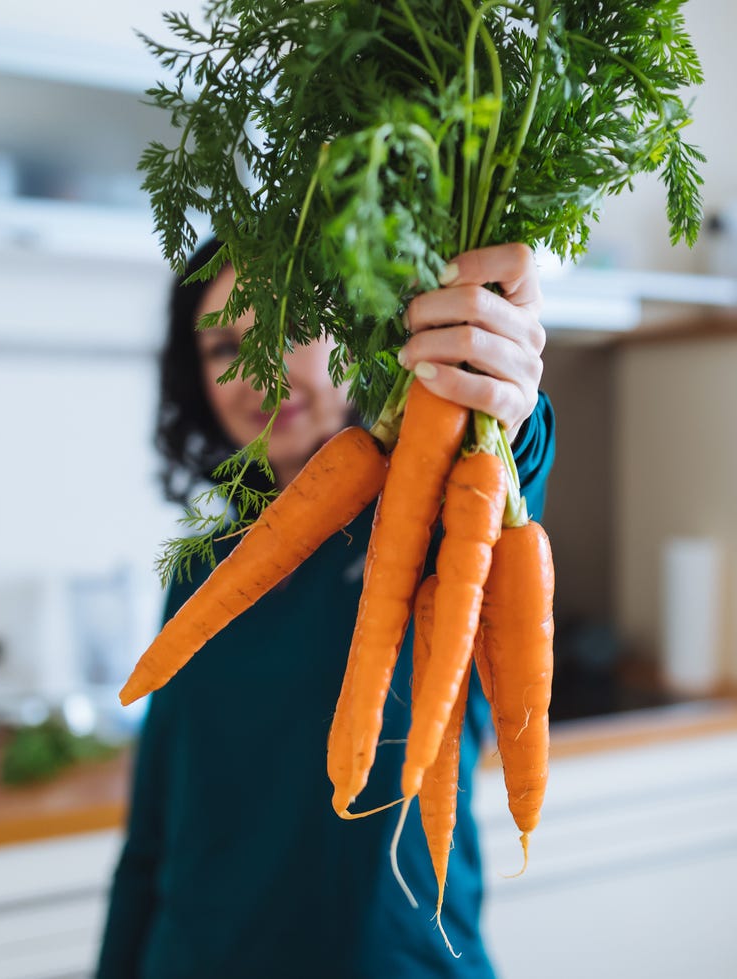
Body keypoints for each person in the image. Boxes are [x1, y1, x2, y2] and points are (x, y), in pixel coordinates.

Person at [96, 237, 556, 979]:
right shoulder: (202, 568)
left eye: (286, 327)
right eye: (222, 345)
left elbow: (508, 481)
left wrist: (504, 395)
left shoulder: (433, 520)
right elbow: (151, 834)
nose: (255, 372)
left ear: (362, 332)